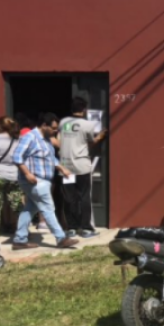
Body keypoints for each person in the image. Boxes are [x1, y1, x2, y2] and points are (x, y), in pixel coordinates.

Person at [11, 113, 79, 250]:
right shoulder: (29, 137)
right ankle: (61, 238)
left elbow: (50, 158)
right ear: (44, 125)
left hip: (43, 180)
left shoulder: (46, 140)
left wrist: (62, 168)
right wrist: (27, 173)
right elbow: (17, 156)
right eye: (53, 128)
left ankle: (20, 239)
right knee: (48, 208)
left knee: (30, 208)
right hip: (35, 181)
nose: (56, 131)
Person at [59, 97, 107, 238]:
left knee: (69, 198)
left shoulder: (63, 123)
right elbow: (91, 143)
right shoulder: (88, 125)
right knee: (84, 196)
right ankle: (86, 228)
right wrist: (101, 136)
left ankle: (71, 228)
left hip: (66, 166)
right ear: (84, 110)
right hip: (81, 166)